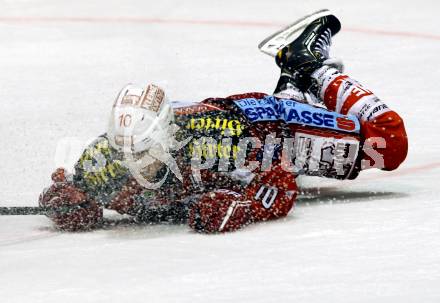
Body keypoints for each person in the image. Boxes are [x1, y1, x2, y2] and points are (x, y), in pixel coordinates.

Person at [39, 13, 407, 233]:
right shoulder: (103, 160)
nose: (133, 164)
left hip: (264, 126)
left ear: (166, 138)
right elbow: (69, 196)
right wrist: (65, 204)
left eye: (145, 153)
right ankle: (294, 78)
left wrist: (246, 207)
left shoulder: (218, 145)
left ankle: (309, 65)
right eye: (125, 152)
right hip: (222, 122)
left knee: (390, 145)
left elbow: (281, 176)